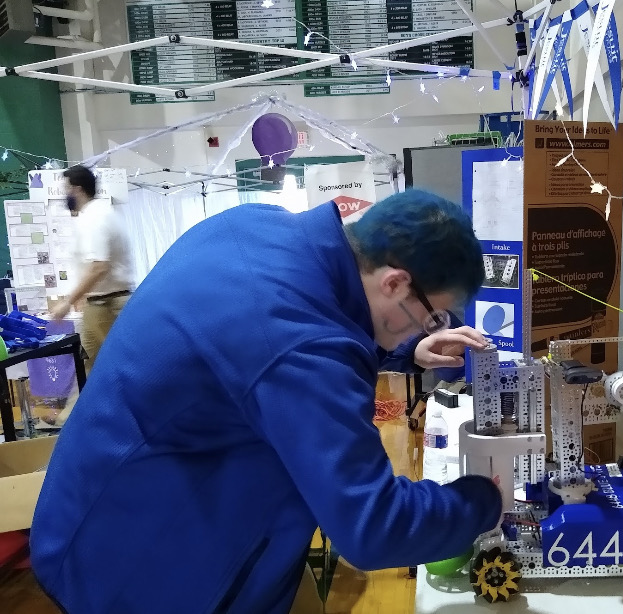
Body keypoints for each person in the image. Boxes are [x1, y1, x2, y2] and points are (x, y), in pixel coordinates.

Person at [30, 189, 503, 614]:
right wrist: (488, 499)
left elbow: (279, 344)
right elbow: (374, 527)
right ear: (395, 283)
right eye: (433, 316)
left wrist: (405, 351)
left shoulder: (257, 224)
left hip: (98, 497)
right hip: (139, 565)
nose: (431, 328)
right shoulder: (301, 343)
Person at [48, 165, 134, 426]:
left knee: (108, 365)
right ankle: (72, 419)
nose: (64, 195)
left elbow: (99, 266)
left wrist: (67, 301)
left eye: (65, 189)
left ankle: (78, 420)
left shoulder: (94, 217)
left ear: (77, 189)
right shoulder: (101, 213)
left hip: (107, 304)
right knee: (90, 364)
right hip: (103, 302)